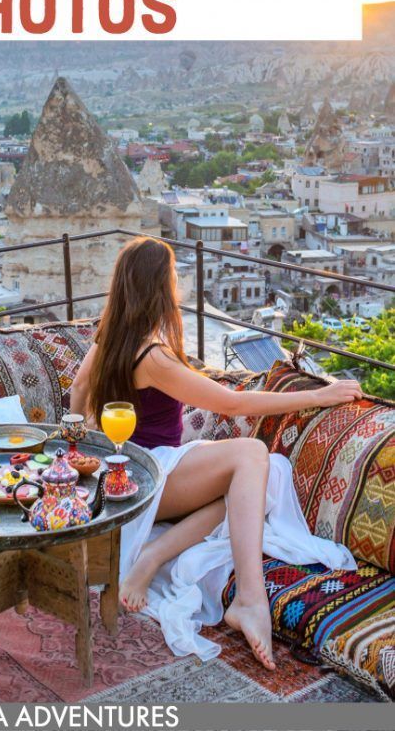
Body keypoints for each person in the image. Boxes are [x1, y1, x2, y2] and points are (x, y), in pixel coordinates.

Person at [70, 236, 362, 671]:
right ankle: (249, 597)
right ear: (160, 287)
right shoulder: (152, 356)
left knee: (265, 475)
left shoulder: (109, 336)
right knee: (251, 456)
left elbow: (77, 391)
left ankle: (154, 554)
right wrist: (320, 396)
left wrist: (79, 457)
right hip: (150, 474)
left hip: (122, 470)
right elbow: (232, 404)